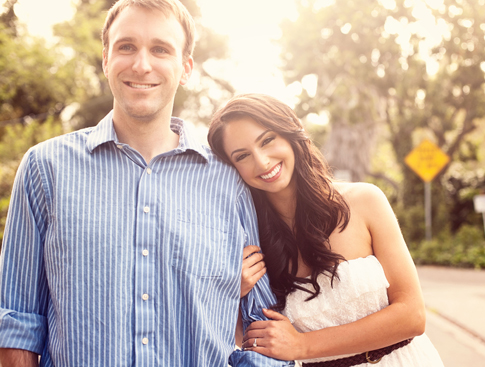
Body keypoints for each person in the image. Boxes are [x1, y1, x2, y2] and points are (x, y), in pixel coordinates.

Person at [0, 2, 292, 366]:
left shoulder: (228, 181)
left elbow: (263, 332)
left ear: (185, 68)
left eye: (160, 49)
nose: (141, 64)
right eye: (126, 47)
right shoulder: (45, 170)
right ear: (106, 58)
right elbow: (17, 321)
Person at [209, 93, 445, 366]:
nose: (262, 162)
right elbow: (250, 340)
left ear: (289, 133)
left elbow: (412, 316)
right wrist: (229, 291)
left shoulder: (365, 200)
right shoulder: (250, 242)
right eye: (242, 156)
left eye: (267, 140)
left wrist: (303, 345)